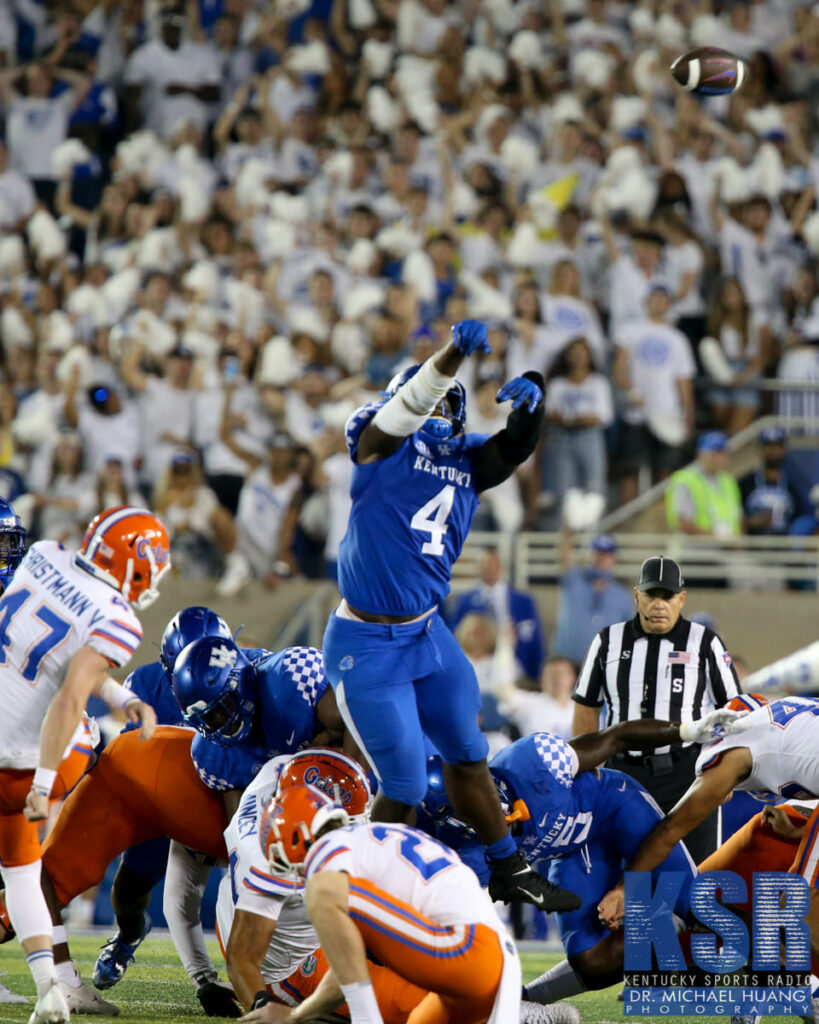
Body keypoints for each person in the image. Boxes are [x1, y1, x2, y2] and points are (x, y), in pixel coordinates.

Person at [322, 319, 570, 911]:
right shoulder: (378, 445)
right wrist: (455, 353)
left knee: (468, 749)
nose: (433, 416)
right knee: (405, 782)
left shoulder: (467, 457)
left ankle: (508, 866)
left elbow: (513, 446)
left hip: (429, 633)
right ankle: (357, 892)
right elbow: (398, 416)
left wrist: (533, 403)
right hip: (367, 642)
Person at [418, 707, 742, 1005]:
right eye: (469, 803)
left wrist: (688, 730)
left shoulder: (533, 761)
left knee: (705, 910)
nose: (484, 799)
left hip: (615, 809)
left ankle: (784, 982)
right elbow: (465, 926)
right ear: (453, 822)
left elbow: (617, 736)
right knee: (593, 962)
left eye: (479, 784)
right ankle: (529, 1001)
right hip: (576, 848)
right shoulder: (467, 854)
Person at [0, 506, 168, 1023]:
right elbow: (69, 696)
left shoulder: (45, 557)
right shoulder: (117, 617)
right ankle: (50, 986)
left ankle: (54, 987)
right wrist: (44, 787)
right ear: (134, 564)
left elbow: (54, 653)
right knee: (23, 873)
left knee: (23, 874)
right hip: (18, 761)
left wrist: (120, 695)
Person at [258, 785, 524, 1024]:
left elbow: (327, 891)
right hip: (495, 970)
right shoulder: (371, 842)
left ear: (297, 837)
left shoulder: (331, 849)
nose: (298, 873)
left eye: (287, 862)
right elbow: (346, 976)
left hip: (465, 950)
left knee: (323, 889)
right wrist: (295, 1016)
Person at [91, 606, 238, 1008]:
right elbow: (132, 754)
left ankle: (264, 977)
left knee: (250, 884)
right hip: (163, 798)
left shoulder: (247, 676)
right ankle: (127, 936)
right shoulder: (146, 684)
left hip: (223, 794)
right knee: (129, 892)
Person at [596, 693, 819, 935]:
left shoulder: (733, 754)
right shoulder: (793, 719)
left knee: (795, 919)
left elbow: (669, 831)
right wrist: (799, 832)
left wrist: (624, 888)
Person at [572, 555, 742, 864]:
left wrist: (727, 768)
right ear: (637, 595)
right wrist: (586, 769)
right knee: (628, 876)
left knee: (693, 877)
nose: (659, 604)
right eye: (652, 595)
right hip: (623, 773)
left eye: (667, 596)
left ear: (682, 599)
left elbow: (733, 708)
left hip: (688, 774)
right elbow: (586, 705)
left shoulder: (705, 642)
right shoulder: (608, 641)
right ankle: (643, 913)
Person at [448, 547, 545, 682]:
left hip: (516, 669)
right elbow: (455, 637)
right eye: (485, 565)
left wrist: (537, 675)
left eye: (494, 564)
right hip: (476, 671)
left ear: (502, 567)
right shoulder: (464, 601)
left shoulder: (524, 601)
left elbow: (535, 640)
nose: (490, 569)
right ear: (479, 568)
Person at [552, 532, 633, 667]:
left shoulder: (622, 596)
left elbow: (627, 636)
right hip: (566, 664)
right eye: (597, 553)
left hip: (601, 667)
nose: (600, 558)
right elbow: (564, 553)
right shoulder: (573, 579)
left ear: (614, 559)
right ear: (589, 555)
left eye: (606, 554)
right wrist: (568, 524)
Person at [665, 431, 743, 537]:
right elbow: (683, 522)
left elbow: (738, 518)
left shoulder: (728, 481)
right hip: (695, 550)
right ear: (700, 454)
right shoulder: (685, 480)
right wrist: (716, 538)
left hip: (726, 549)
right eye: (714, 453)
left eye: (723, 453)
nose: (719, 458)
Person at [738, 426, 800, 535]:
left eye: (777, 446)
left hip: (784, 547)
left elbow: (799, 520)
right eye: (769, 446)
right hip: (752, 546)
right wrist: (751, 522)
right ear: (760, 449)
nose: (773, 451)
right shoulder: (745, 483)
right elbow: (732, 518)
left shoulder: (793, 485)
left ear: (784, 450)